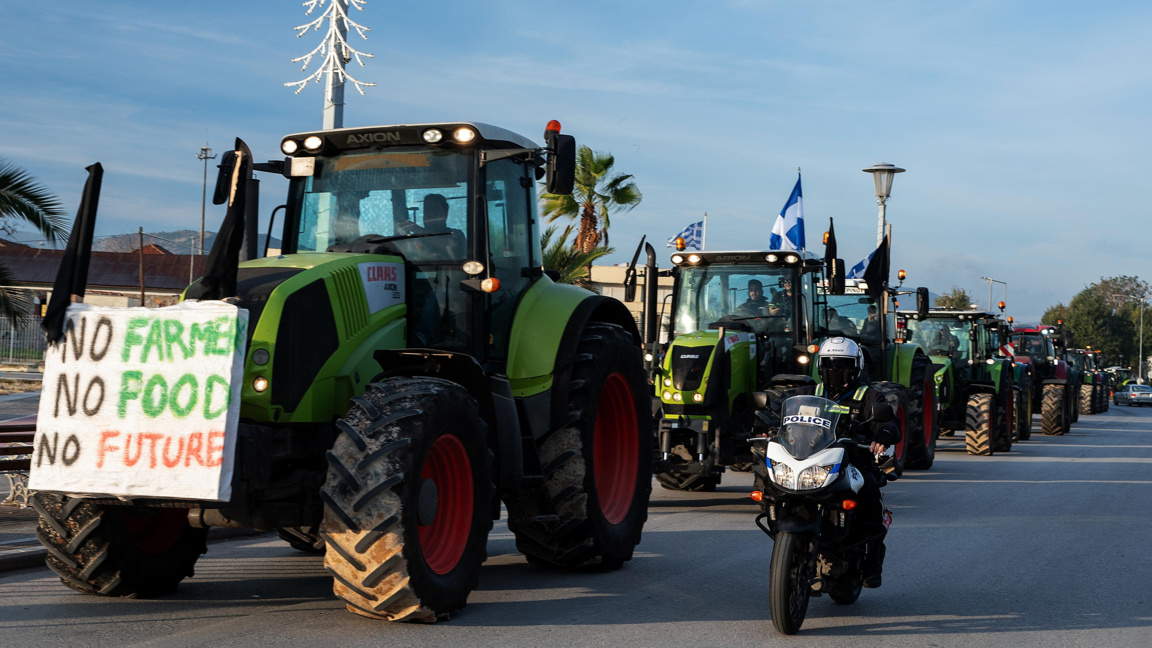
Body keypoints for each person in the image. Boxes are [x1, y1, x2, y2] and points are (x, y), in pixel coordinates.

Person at [796, 337, 900, 588]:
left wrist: (883, 436)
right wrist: (767, 426)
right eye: (829, 364)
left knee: (870, 495)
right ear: (820, 366)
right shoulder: (809, 393)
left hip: (854, 462)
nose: (834, 370)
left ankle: (873, 559)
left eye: (841, 364)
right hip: (812, 462)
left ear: (856, 367)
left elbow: (889, 423)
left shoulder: (869, 395)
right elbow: (783, 416)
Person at [415, 193, 467, 259]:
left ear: (445, 213)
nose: (430, 214)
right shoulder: (415, 238)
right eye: (427, 210)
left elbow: (449, 247)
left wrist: (419, 230)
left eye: (435, 210)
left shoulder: (457, 235)